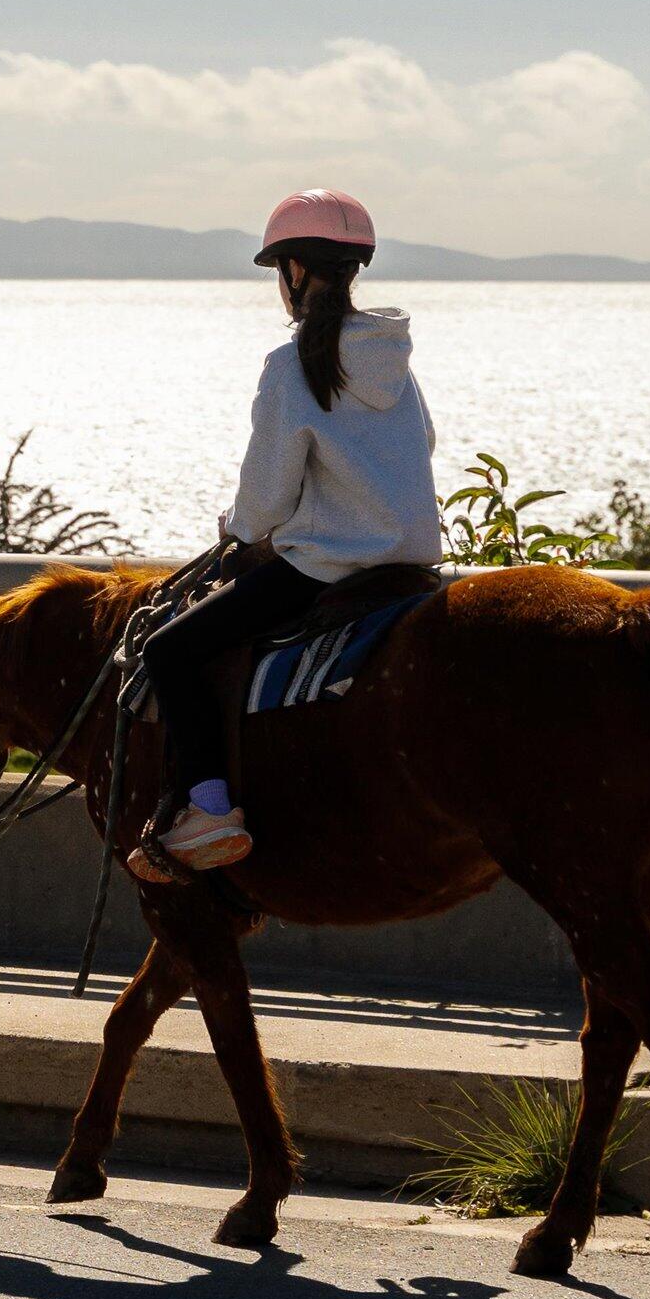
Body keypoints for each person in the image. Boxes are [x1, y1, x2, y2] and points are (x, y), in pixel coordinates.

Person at [130, 189, 441, 879]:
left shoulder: (291, 363)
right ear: (352, 269)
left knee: (170, 651)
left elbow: (265, 499)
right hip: (413, 564)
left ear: (294, 271)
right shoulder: (397, 361)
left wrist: (239, 534)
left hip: (329, 568)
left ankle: (210, 809)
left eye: (281, 269)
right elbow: (423, 444)